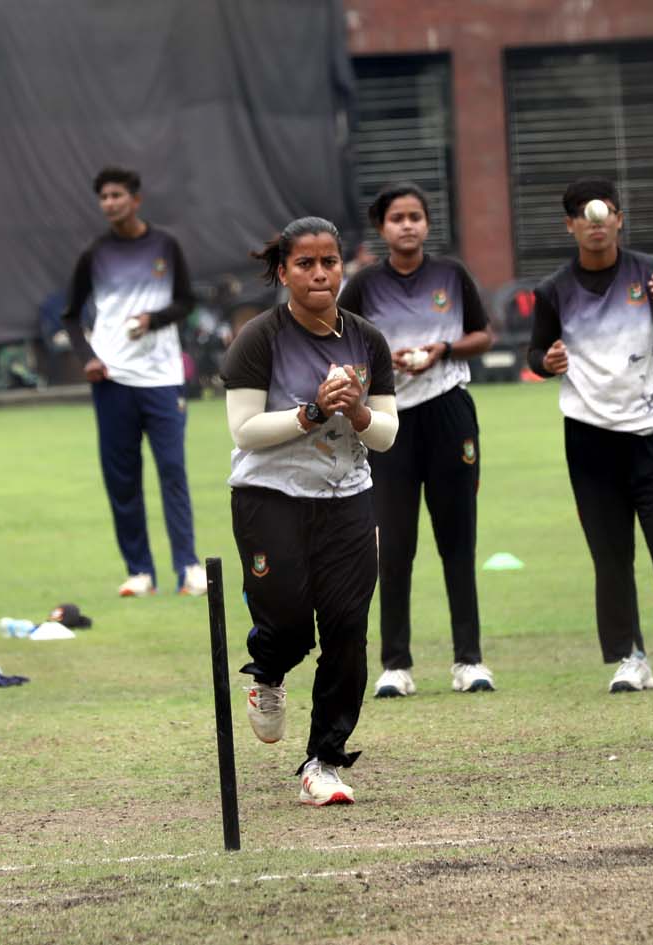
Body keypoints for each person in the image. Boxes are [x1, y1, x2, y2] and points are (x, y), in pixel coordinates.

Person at [526, 177, 653, 694]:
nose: (596, 223)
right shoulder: (554, 290)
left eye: (605, 214)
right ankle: (629, 657)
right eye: (584, 216)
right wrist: (547, 362)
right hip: (590, 436)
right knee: (610, 551)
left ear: (618, 219)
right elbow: (536, 353)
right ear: (570, 225)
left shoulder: (649, 271)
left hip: (652, 428)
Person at [221, 216, 399, 806]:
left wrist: (360, 415)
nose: (319, 274)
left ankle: (324, 761)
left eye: (329, 262)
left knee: (347, 631)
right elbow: (244, 430)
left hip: (346, 498)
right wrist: (313, 412)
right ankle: (268, 671)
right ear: (283, 272)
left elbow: (387, 434)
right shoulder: (260, 338)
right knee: (291, 623)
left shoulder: (367, 340)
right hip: (269, 498)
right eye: (305, 264)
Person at [337, 182, 497, 699]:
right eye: (397, 218)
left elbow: (483, 335)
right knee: (395, 544)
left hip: (449, 410)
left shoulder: (450, 274)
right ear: (382, 228)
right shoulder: (363, 285)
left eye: (415, 217)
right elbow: (338, 340)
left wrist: (442, 349)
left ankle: (469, 660)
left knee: (458, 539)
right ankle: (395, 665)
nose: (407, 225)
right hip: (390, 420)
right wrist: (377, 368)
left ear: (427, 224)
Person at [62, 166, 205, 597]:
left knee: (173, 471)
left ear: (136, 199)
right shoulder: (94, 254)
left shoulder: (166, 245)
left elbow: (186, 302)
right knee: (122, 478)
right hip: (113, 380)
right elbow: (70, 317)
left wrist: (152, 320)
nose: (110, 203)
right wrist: (88, 358)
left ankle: (188, 568)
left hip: (161, 378)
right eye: (103, 197)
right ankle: (140, 573)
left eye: (117, 195)